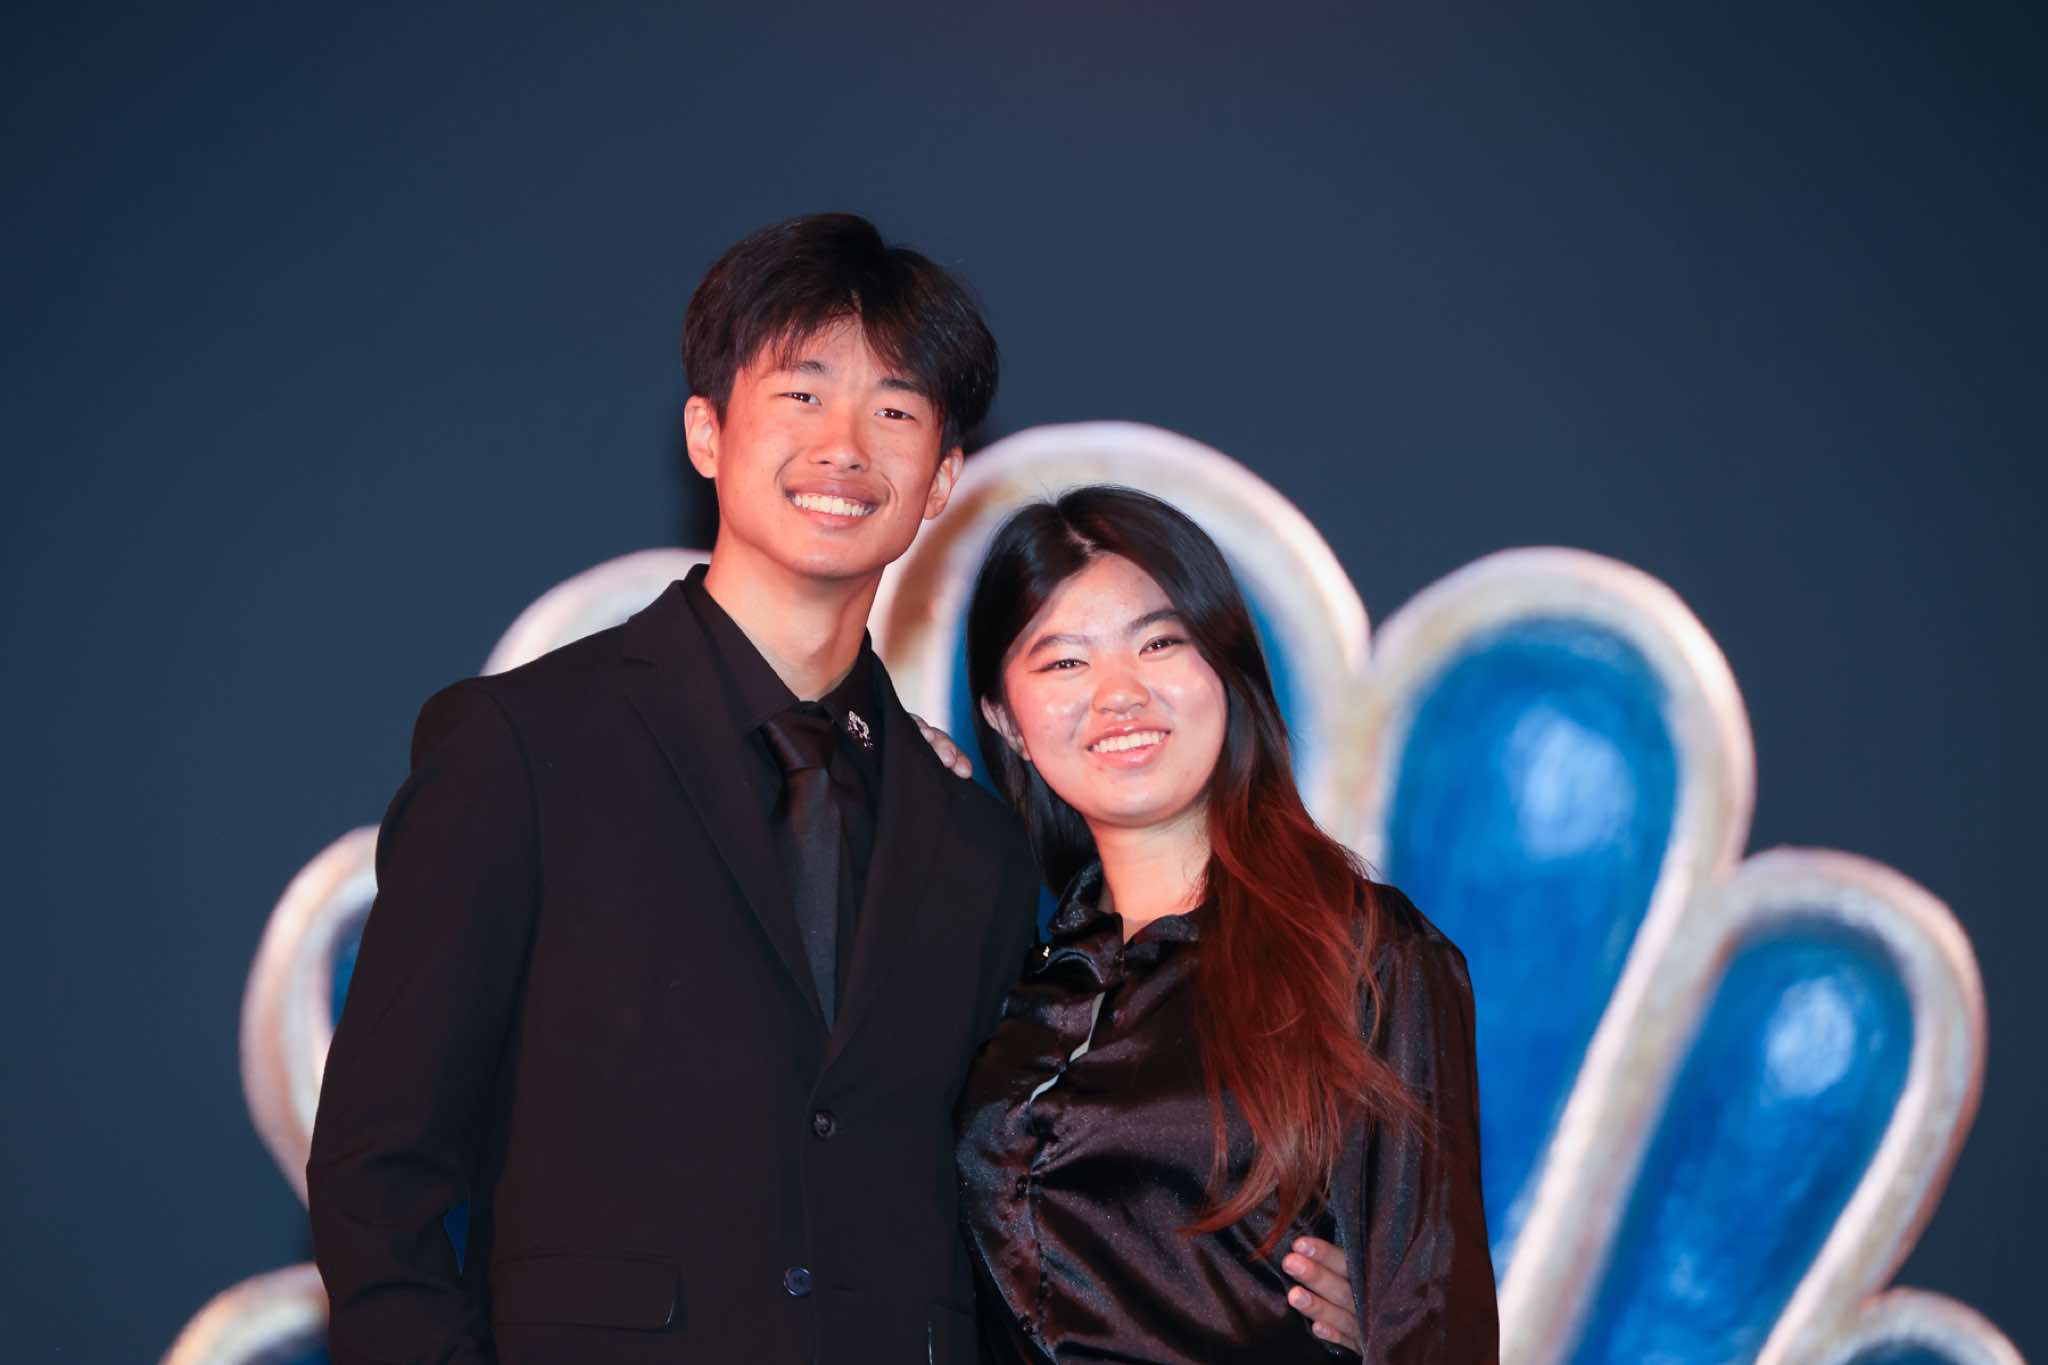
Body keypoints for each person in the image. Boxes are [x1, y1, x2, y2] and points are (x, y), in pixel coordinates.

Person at [306, 214, 1044, 1364]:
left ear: (942, 477)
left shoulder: (970, 842)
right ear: (706, 432)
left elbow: (1002, 1203)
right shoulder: (522, 747)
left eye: (895, 411)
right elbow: (375, 1172)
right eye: (801, 394)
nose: (844, 446)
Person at [957, 485, 1498, 1362]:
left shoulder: (1366, 955)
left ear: (1226, 665)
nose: (1118, 694)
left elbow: (1431, 1319)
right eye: (1063, 662)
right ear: (1005, 721)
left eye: (1159, 642)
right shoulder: (1013, 988)